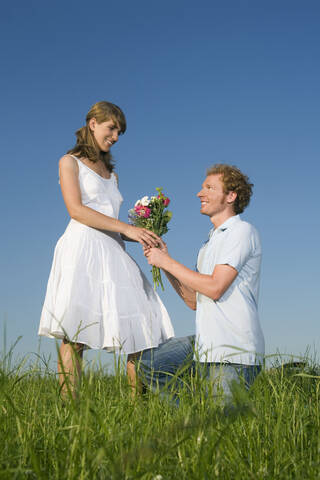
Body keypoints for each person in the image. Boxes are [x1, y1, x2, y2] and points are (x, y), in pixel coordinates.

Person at [38, 101, 174, 398]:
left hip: (112, 250)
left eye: (119, 132)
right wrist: (127, 228)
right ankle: (70, 412)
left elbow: (110, 223)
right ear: (92, 124)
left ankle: (136, 408)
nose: (115, 136)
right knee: (75, 335)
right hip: (82, 249)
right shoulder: (68, 162)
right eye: (111, 128)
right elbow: (76, 210)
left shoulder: (112, 174)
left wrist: (140, 235)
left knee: (142, 328)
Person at [141, 164, 265, 402]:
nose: (200, 193)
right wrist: (164, 264)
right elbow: (193, 300)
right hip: (207, 346)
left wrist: (167, 262)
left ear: (231, 196)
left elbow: (215, 287)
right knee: (151, 363)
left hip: (233, 351)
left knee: (223, 432)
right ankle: (187, 415)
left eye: (209, 187)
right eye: (202, 187)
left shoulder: (241, 231)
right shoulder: (208, 244)